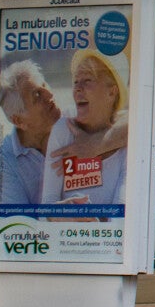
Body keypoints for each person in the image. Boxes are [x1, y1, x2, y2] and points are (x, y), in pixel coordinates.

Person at [45, 49, 129, 206]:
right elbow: (47, 205)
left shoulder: (127, 143)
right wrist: (62, 211)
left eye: (88, 80)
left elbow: (120, 212)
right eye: (76, 82)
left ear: (112, 92)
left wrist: (96, 145)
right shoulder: (64, 130)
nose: (78, 88)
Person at [0, 60, 61, 205]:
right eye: (37, 95)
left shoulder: (74, 121)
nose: (50, 94)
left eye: (44, 85)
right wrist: (57, 212)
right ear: (18, 121)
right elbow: (17, 217)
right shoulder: (4, 159)